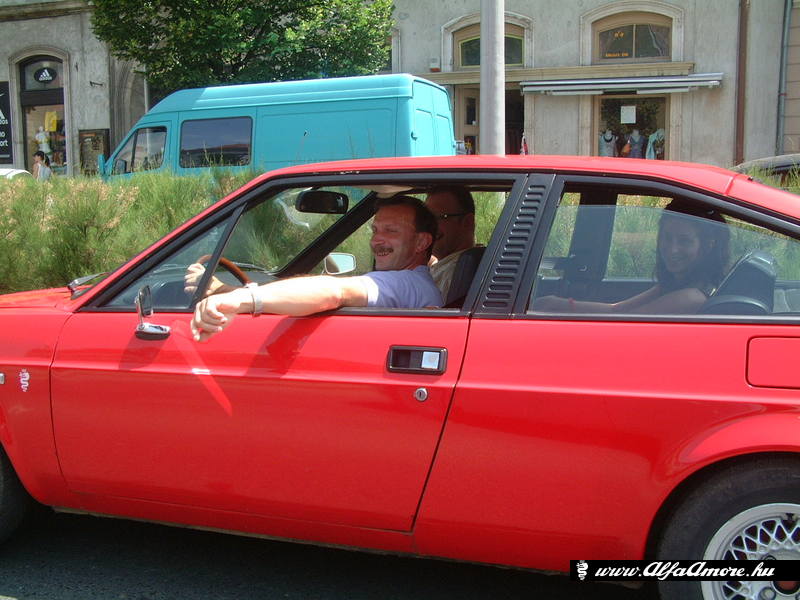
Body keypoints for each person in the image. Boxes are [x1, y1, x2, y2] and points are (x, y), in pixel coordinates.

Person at [190, 195, 442, 342]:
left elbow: (335, 292)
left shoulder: (406, 283)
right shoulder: (418, 286)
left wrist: (239, 299)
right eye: (375, 230)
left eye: (391, 231)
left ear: (422, 242)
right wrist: (225, 289)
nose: (377, 240)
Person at [534, 200, 730, 314]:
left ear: (707, 245)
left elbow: (622, 323)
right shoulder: (678, 284)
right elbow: (616, 310)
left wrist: (560, 307)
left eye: (684, 241)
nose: (672, 249)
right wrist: (559, 304)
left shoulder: (691, 297)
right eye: (667, 237)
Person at [424, 185, 477, 299]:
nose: (428, 227)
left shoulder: (455, 275)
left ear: (467, 222)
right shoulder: (448, 269)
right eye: (426, 219)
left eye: (437, 218)